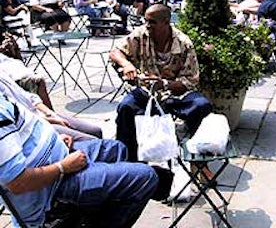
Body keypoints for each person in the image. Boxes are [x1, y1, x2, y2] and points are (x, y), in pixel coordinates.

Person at [0, 85, 158, 227]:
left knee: (117, 149)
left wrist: (54, 139)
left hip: (56, 158)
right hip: (48, 189)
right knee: (145, 177)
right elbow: (17, 183)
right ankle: (59, 217)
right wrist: (63, 167)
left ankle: (85, 214)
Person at [110, 4, 212, 162]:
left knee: (201, 105)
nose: (147, 25)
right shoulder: (141, 34)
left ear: (166, 22)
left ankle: (199, 159)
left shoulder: (184, 43)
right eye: (146, 21)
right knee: (125, 107)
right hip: (146, 91)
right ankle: (127, 160)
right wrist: (127, 64)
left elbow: (190, 80)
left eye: (152, 22)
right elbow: (115, 52)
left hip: (174, 94)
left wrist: (164, 83)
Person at [0, 70, 102, 141]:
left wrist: (50, 113)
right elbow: (15, 118)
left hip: (38, 113)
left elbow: (28, 97)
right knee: (93, 142)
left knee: (95, 130)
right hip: (31, 126)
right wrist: (49, 120)